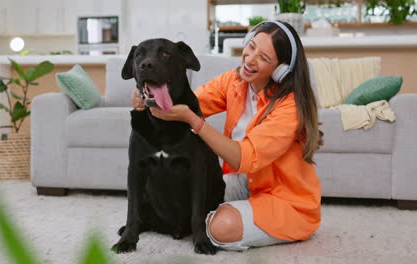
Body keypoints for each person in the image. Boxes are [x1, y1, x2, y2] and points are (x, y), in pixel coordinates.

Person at [132, 20, 323, 251]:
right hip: (245, 182)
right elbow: (189, 102)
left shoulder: (289, 106)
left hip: (285, 199)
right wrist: (151, 94)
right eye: (251, 47)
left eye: (263, 58)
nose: (250, 59)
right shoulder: (235, 82)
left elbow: (246, 157)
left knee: (218, 228)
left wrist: (194, 121)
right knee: (197, 195)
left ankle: (291, 223)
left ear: (280, 69)